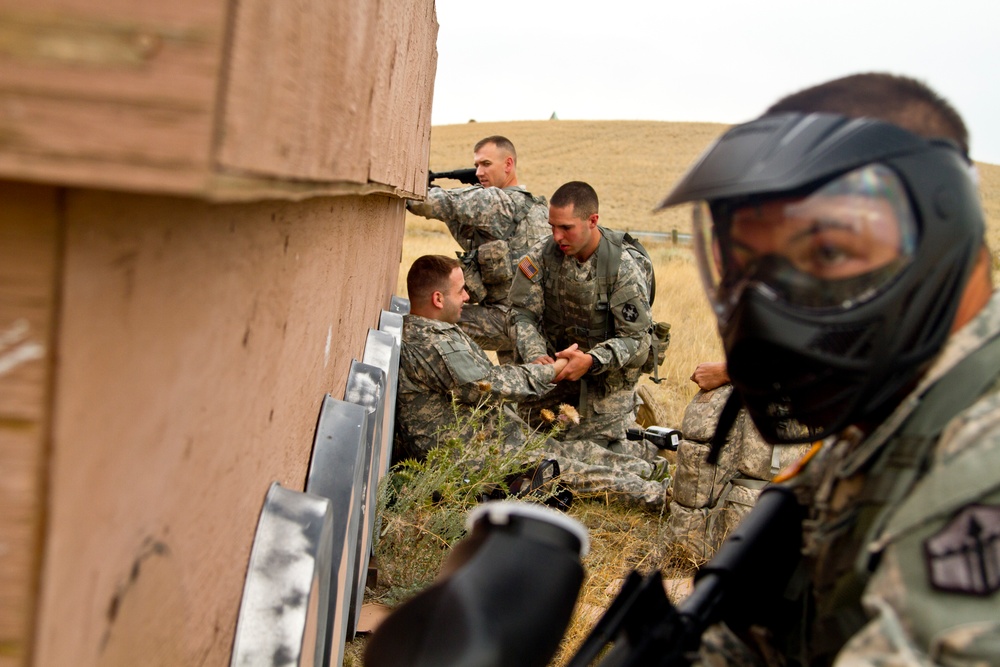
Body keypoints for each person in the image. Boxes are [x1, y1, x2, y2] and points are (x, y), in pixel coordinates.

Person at [657, 72, 1000, 665]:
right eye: (748, 265)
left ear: (943, 238)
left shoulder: (981, 455)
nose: (768, 306)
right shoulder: (889, 404)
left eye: (829, 253)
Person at [395, 255, 669, 509]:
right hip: (474, 460)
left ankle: (651, 469)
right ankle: (662, 496)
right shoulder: (429, 343)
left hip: (494, 440)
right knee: (572, 471)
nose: (467, 297)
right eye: (460, 291)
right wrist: (553, 370)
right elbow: (488, 386)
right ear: (438, 299)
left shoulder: (437, 332)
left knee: (579, 451)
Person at [507, 181, 655, 459]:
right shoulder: (541, 255)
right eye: (552, 226)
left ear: (592, 221)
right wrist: (537, 354)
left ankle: (646, 449)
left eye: (566, 228)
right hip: (557, 374)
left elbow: (637, 340)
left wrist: (591, 361)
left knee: (578, 452)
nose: (557, 236)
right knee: (521, 437)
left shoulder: (622, 268)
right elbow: (519, 312)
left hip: (605, 384)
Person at [407, 136, 550, 362]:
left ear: (508, 164)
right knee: (520, 388)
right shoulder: (539, 208)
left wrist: (410, 185)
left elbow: (422, 202)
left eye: (486, 164)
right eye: (476, 166)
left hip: (509, 319)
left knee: (425, 317)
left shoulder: (497, 202)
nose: (478, 173)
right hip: (533, 323)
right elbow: (458, 220)